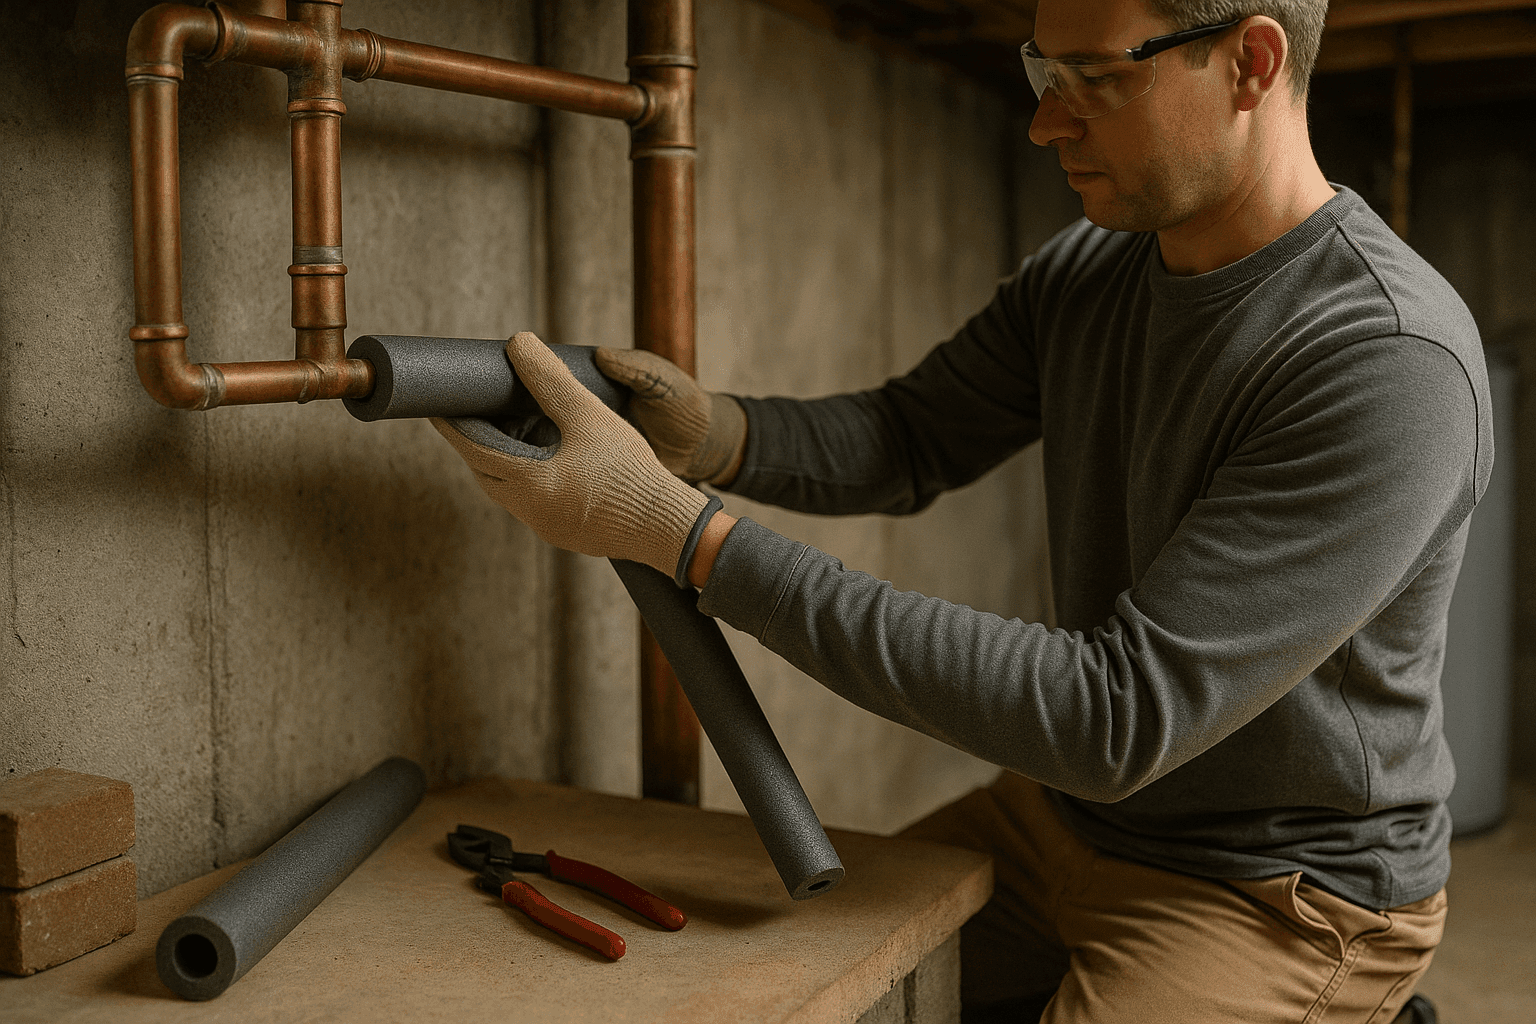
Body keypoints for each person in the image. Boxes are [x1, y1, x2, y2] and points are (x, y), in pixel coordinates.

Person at [431, 0, 1491, 1019]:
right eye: (1044, 72)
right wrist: (717, 435)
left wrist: (683, 536)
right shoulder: (1091, 270)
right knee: (806, 995)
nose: (1045, 122)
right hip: (1064, 818)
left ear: (1251, 63)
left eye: (1095, 78)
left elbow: (1113, 716)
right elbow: (909, 436)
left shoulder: (1386, 362)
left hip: (1277, 889)